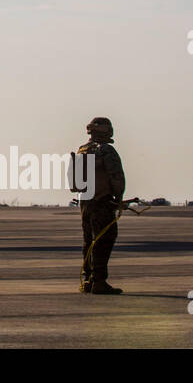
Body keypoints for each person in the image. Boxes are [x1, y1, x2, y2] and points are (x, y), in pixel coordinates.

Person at [75, 117, 126, 294]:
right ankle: (99, 281)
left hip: (85, 202)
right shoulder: (106, 151)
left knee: (89, 240)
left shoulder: (82, 150)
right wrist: (119, 198)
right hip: (102, 201)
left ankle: (88, 279)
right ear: (105, 130)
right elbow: (116, 177)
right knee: (105, 238)